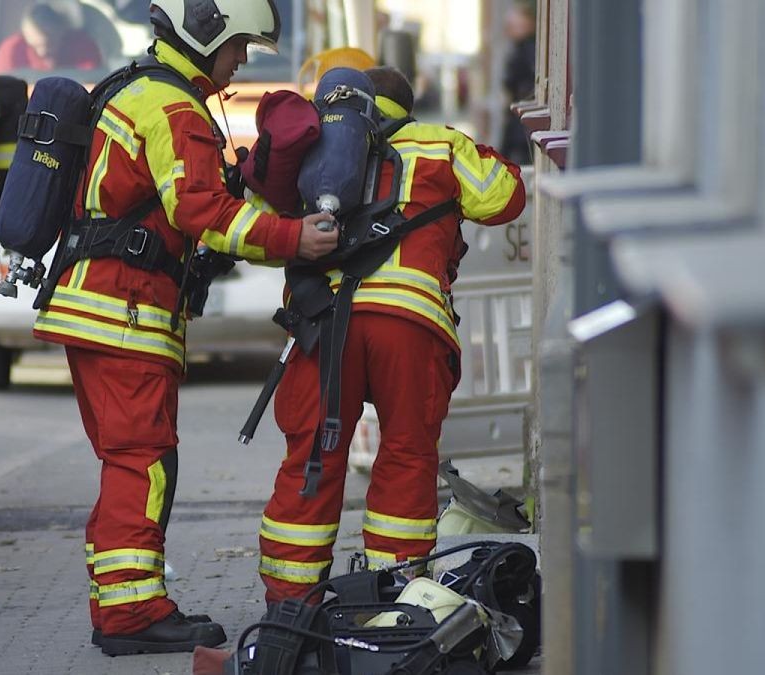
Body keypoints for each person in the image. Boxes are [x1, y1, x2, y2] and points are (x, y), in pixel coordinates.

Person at [29, 0, 338, 655]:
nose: (243, 61)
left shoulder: (137, 87)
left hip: (95, 307)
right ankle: (131, 614)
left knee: (129, 462)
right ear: (208, 32)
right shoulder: (174, 109)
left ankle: (125, 602)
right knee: (142, 463)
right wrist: (293, 238)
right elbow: (202, 211)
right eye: (240, 46)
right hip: (126, 312)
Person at [257, 66, 527, 603]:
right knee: (406, 453)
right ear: (408, 105)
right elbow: (505, 199)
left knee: (313, 455)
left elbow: (267, 218)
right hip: (409, 322)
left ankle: (289, 604)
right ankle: (395, 591)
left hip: (321, 322)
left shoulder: (314, 146)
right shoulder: (439, 143)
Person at [0, 2, 103, 73]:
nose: (42, 52)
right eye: (35, 46)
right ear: (25, 36)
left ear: (61, 32)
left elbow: (94, 86)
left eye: (49, 44)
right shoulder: (12, 50)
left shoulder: (82, 46)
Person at [501, 2, 538, 163]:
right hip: (518, 123)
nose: (509, 29)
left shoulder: (529, 49)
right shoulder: (520, 48)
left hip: (522, 125)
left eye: (514, 24)